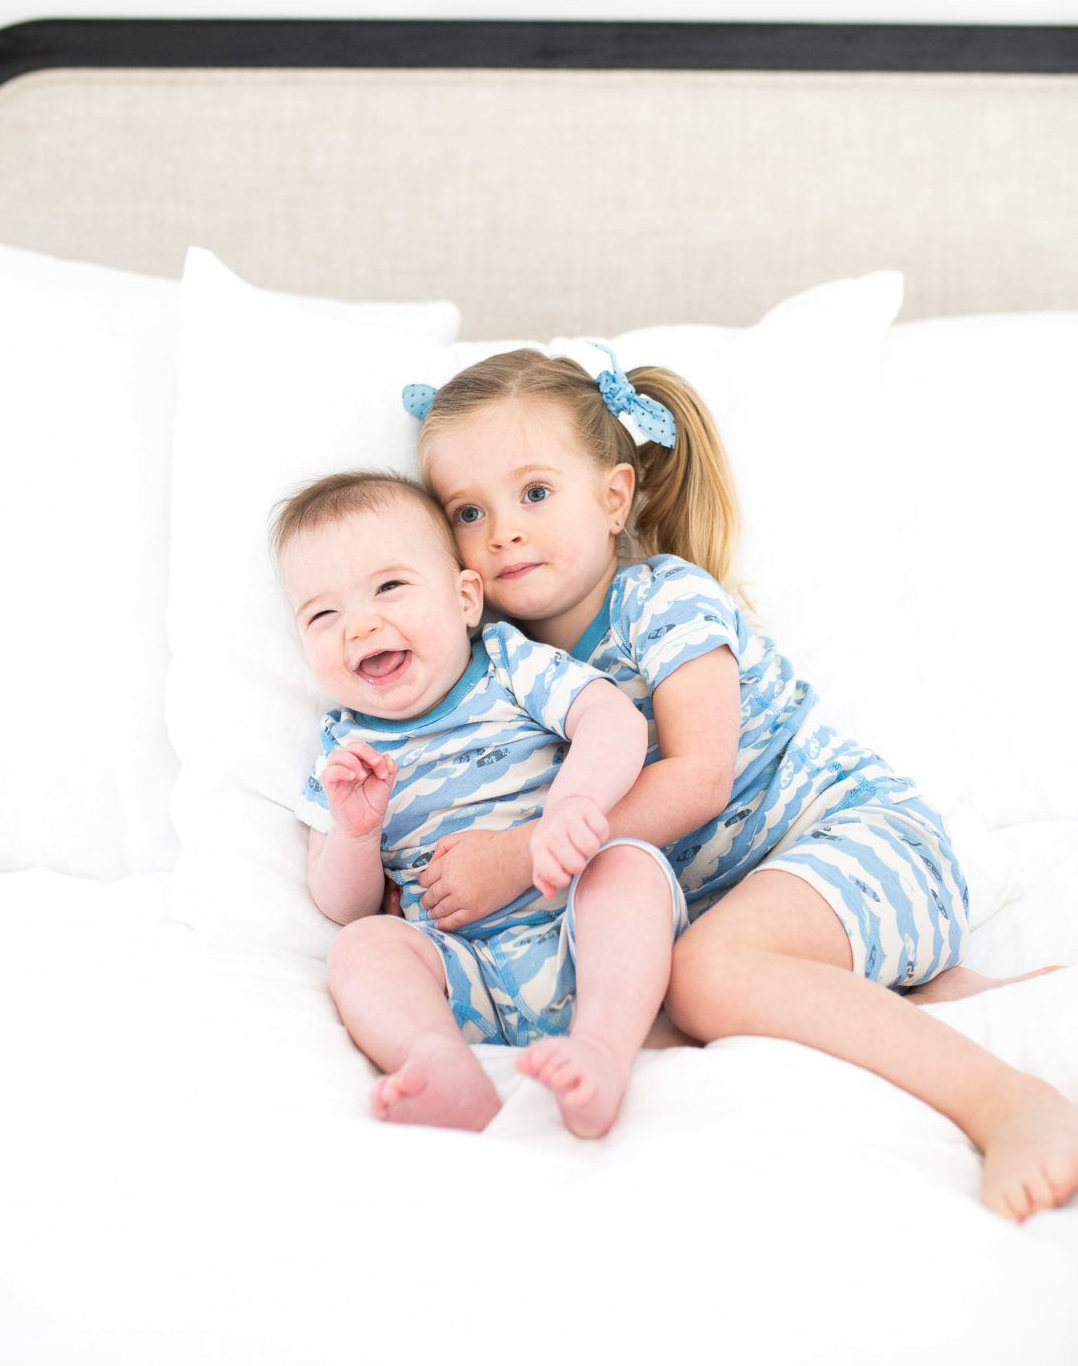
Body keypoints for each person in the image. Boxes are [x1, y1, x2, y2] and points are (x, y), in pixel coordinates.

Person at [407, 345, 1078, 1222]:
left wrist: (522, 854)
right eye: (467, 510)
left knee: (704, 976)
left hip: (861, 836)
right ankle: (930, 995)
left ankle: (1011, 1102)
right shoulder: (508, 668)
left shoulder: (665, 600)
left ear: (615, 498)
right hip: (769, 895)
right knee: (634, 995)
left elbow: (700, 780)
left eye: (534, 493)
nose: (503, 531)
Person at [273, 470, 689, 1137]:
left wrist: (570, 806)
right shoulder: (340, 750)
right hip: (464, 972)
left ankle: (602, 1050)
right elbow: (342, 906)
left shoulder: (507, 665)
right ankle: (439, 1061)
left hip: (580, 930)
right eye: (324, 614)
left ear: (466, 599)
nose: (361, 625)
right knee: (363, 946)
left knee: (630, 869)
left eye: (389, 588)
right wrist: (354, 835)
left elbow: (614, 720)